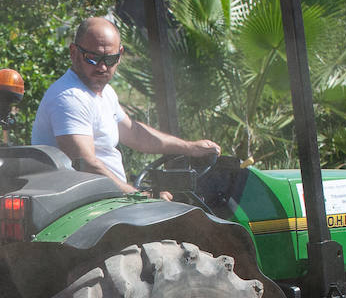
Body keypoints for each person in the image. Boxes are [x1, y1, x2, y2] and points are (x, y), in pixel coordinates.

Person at [31, 16, 218, 194]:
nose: (102, 67)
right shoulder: (70, 97)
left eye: (109, 59)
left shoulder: (105, 93)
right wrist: (137, 196)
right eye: (92, 58)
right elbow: (85, 165)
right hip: (87, 204)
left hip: (107, 199)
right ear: (74, 53)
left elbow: (135, 134)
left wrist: (190, 148)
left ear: (120, 55)